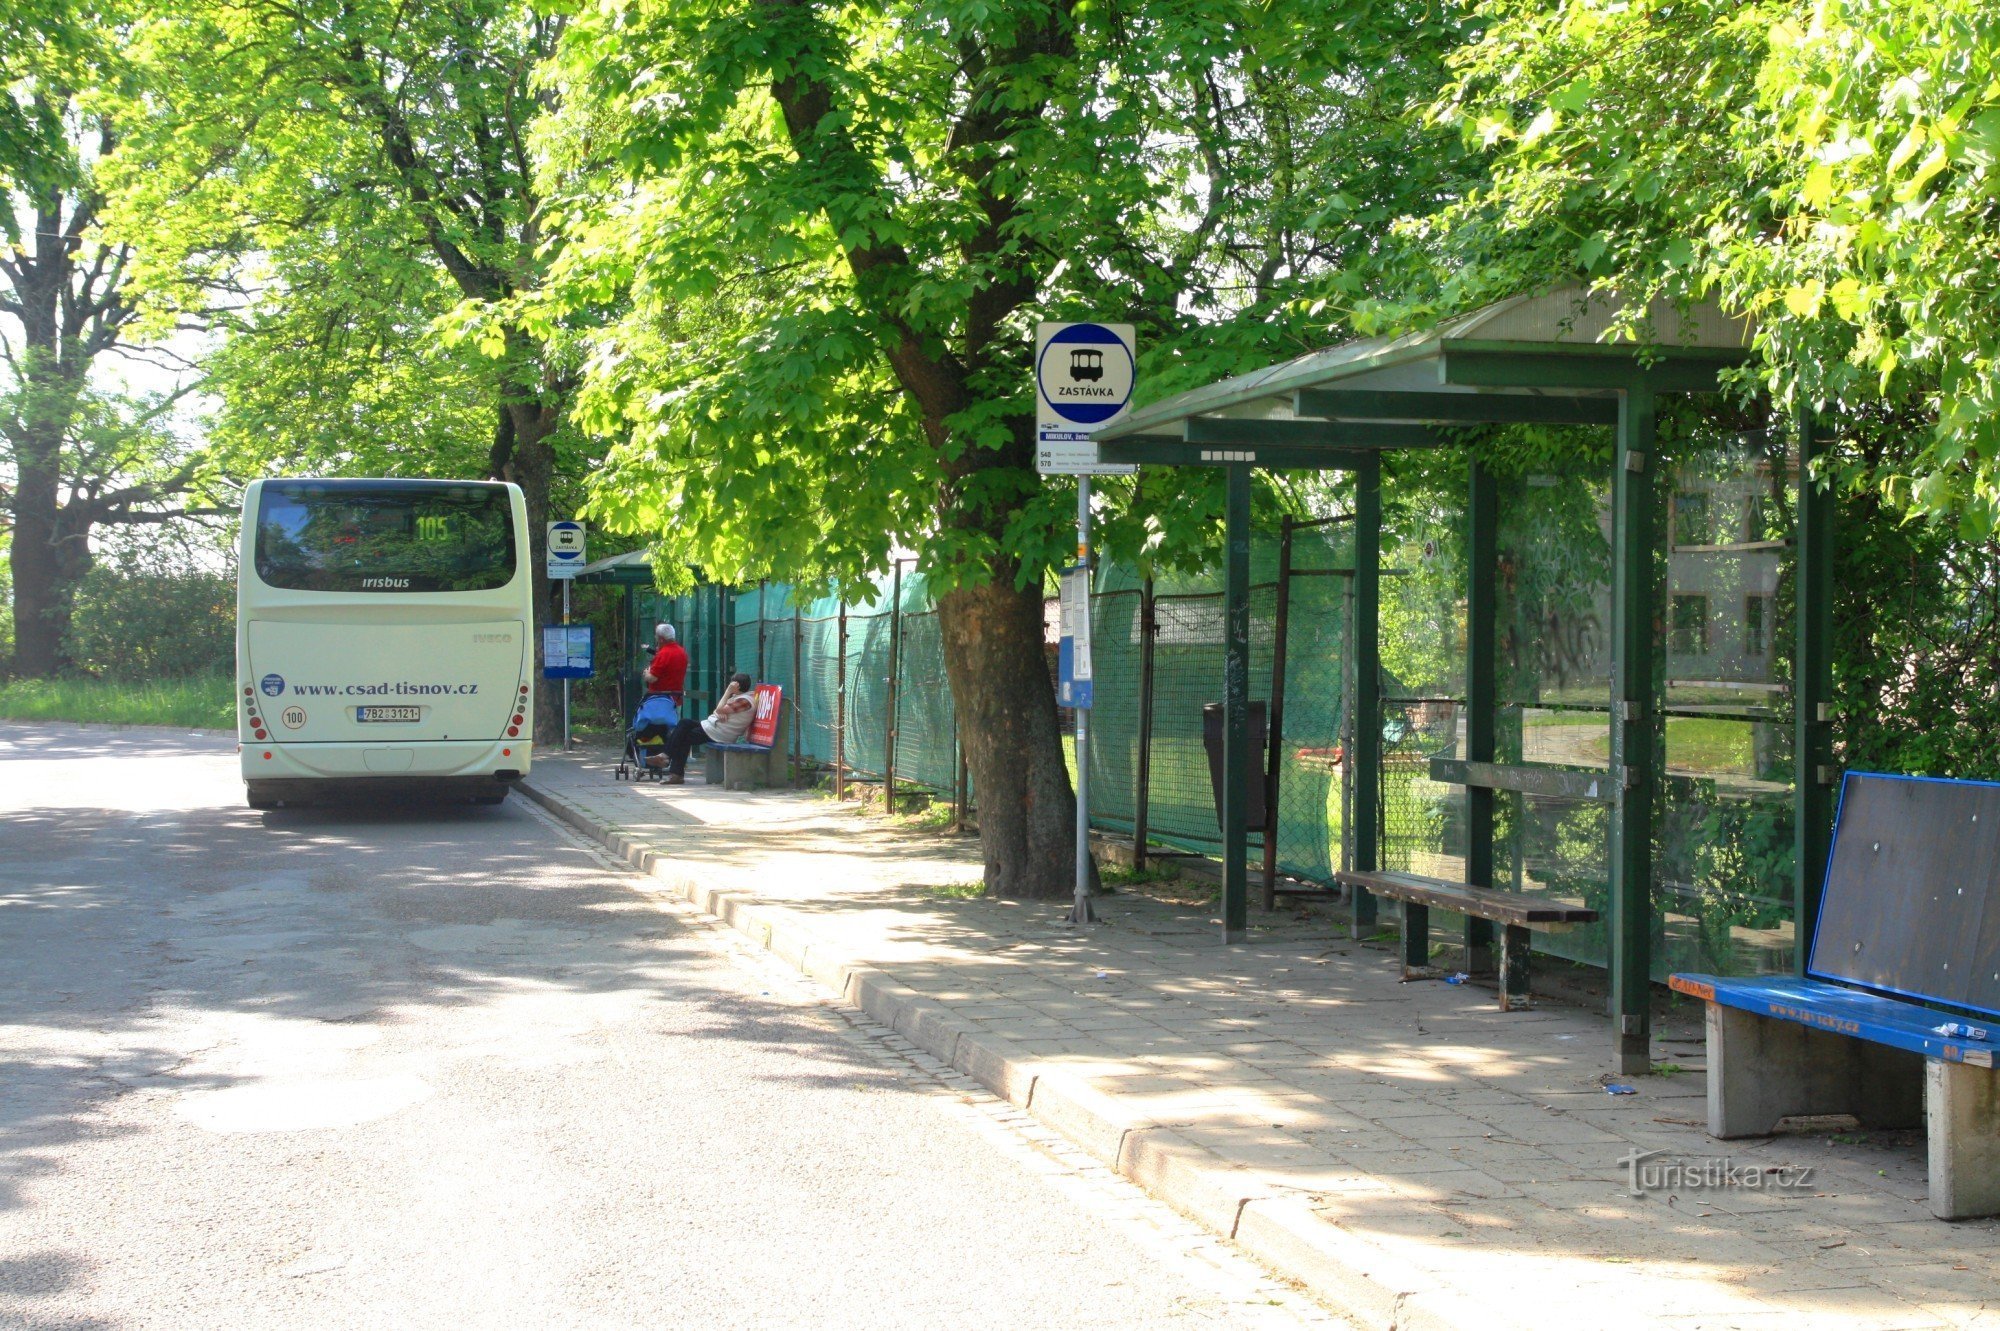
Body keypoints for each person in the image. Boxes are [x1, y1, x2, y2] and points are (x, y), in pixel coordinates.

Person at [661, 672, 755, 784]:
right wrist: (719, 711)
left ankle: (671, 766)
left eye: (731, 683)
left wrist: (728, 692)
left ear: (736, 685)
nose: (729, 685)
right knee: (684, 723)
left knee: (683, 736)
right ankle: (669, 762)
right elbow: (718, 710)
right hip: (714, 727)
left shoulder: (744, 701)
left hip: (720, 733)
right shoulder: (739, 698)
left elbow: (719, 709)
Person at [642, 623, 688, 704]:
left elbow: (652, 678)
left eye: (656, 636)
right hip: (676, 700)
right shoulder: (682, 652)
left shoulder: (663, 654)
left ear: (661, 639)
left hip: (660, 701)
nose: (655, 638)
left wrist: (646, 673)